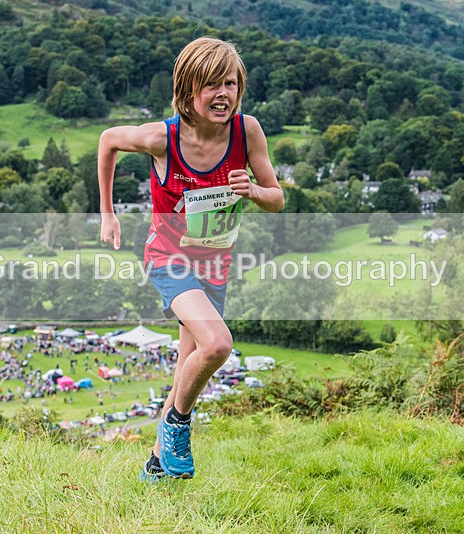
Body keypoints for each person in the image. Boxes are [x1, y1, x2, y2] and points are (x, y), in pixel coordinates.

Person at [98, 37, 283, 480]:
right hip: (168, 258)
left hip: (215, 264)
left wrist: (253, 191)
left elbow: (276, 198)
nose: (224, 94)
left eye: (231, 84)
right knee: (218, 345)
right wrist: (107, 214)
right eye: (212, 85)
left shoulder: (247, 130)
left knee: (188, 367)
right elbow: (108, 140)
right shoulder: (163, 138)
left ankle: (157, 467)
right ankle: (178, 426)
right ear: (188, 89)